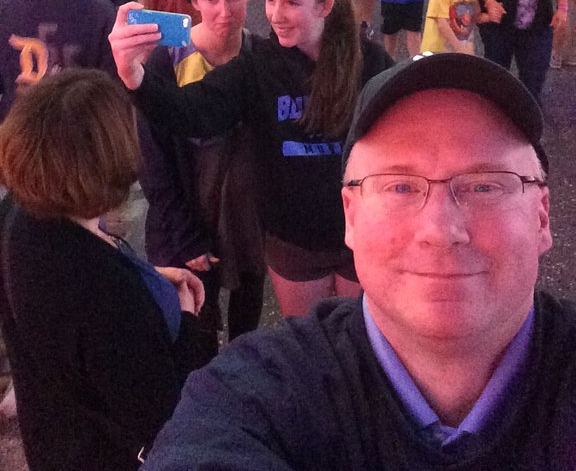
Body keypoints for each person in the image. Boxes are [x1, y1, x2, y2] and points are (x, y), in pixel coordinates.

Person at [139, 52, 576, 471]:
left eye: (484, 186)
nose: (441, 230)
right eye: (400, 187)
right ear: (350, 217)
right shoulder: (248, 398)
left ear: (542, 216)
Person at [110, 0, 392, 318]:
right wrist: (134, 77)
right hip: (294, 242)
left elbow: (404, 138)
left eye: (291, 3)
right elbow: (193, 111)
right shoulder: (259, 64)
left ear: (324, 6)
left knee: (359, 337)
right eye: (270, 0)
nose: (275, 15)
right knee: (308, 342)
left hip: (360, 232)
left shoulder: (369, 62)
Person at [0, 69, 206, 471]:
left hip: (50, 435)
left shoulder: (18, 213)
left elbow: (64, 314)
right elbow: (164, 418)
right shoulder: (108, 296)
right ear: (107, 162)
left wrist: (147, 276)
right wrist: (187, 320)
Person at [140, 0, 265, 361]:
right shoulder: (167, 61)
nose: (224, 11)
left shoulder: (261, 55)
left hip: (246, 220)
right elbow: (154, 162)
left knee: (247, 317)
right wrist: (185, 236)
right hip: (188, 221)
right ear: (193, 2)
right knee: (199, 328)